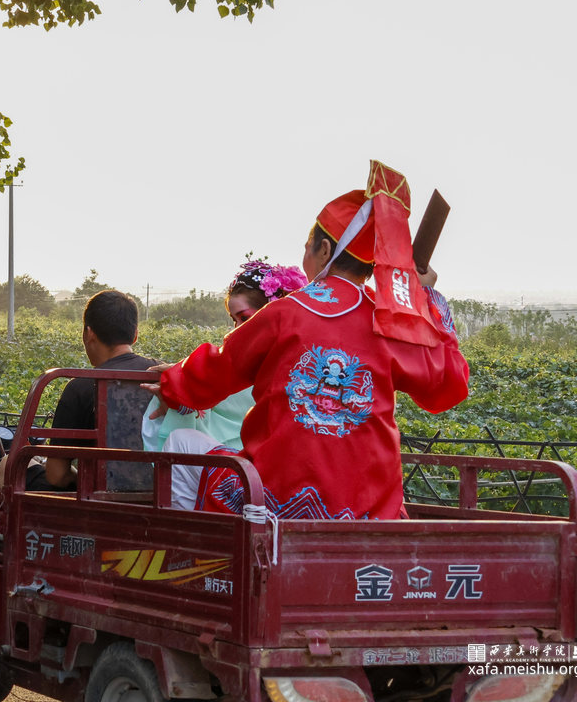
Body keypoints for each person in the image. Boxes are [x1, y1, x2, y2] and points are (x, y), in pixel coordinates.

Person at [145, 161, 471, 520]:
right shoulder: (391, 320)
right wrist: (426, 300)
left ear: (325, 249)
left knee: (179, 443)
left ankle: (209, 550)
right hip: (371, 513)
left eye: (308, 247)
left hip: (278, 504)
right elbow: (448, 386)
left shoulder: (287, 312)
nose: (305, 257)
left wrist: (172, 383)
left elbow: (220, 367)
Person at [143, 257, 306, 455]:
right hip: (272, 454)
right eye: (234, 320)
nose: (238, 328)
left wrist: (179, 381)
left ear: (270, 314)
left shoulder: (285, 361)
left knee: (178, 441)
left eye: (245, 318)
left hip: (273, 455)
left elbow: (213, 384)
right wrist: (181, 380)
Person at [28, 290, 162, 492]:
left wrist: (79, 476)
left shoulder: (79, 387)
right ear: (135, 334)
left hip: (98, 500)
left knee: (6, 465)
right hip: (162, 496)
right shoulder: (165, 375)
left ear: (88, 333)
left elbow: (57, 476)